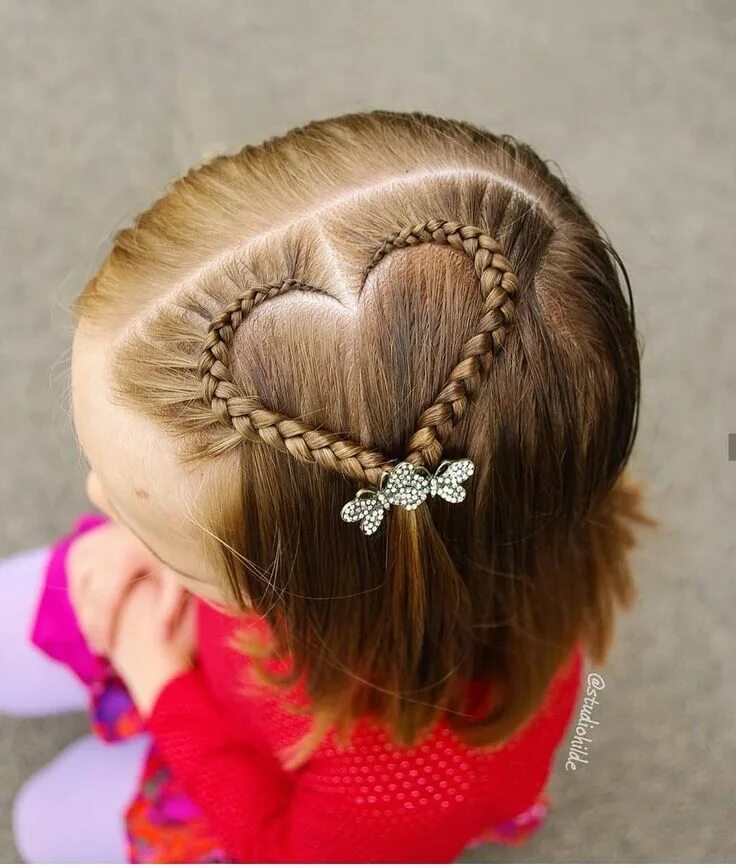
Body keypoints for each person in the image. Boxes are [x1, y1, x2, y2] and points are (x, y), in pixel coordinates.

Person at [1, 111, 650, 863]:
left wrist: (159, 680)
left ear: (323, 588)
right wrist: (151, 541)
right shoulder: (491, 488)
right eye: (111, 477)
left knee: (45, 824)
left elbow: (283, 849)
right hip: (216, 621)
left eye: (149, 520)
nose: (92, 495)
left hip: (245, 744)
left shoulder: (412, 779)